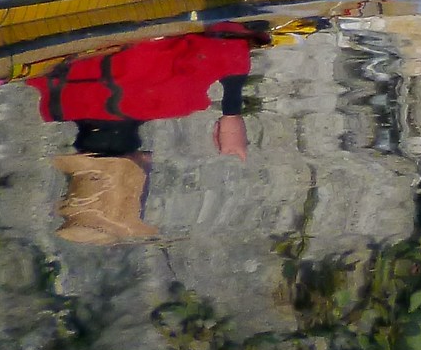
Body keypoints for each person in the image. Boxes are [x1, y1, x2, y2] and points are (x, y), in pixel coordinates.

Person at [37, 26, 262, 246]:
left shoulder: (171, 100)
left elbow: (230, 42)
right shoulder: (52, 104)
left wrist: (231, 113)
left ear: (141, 171)